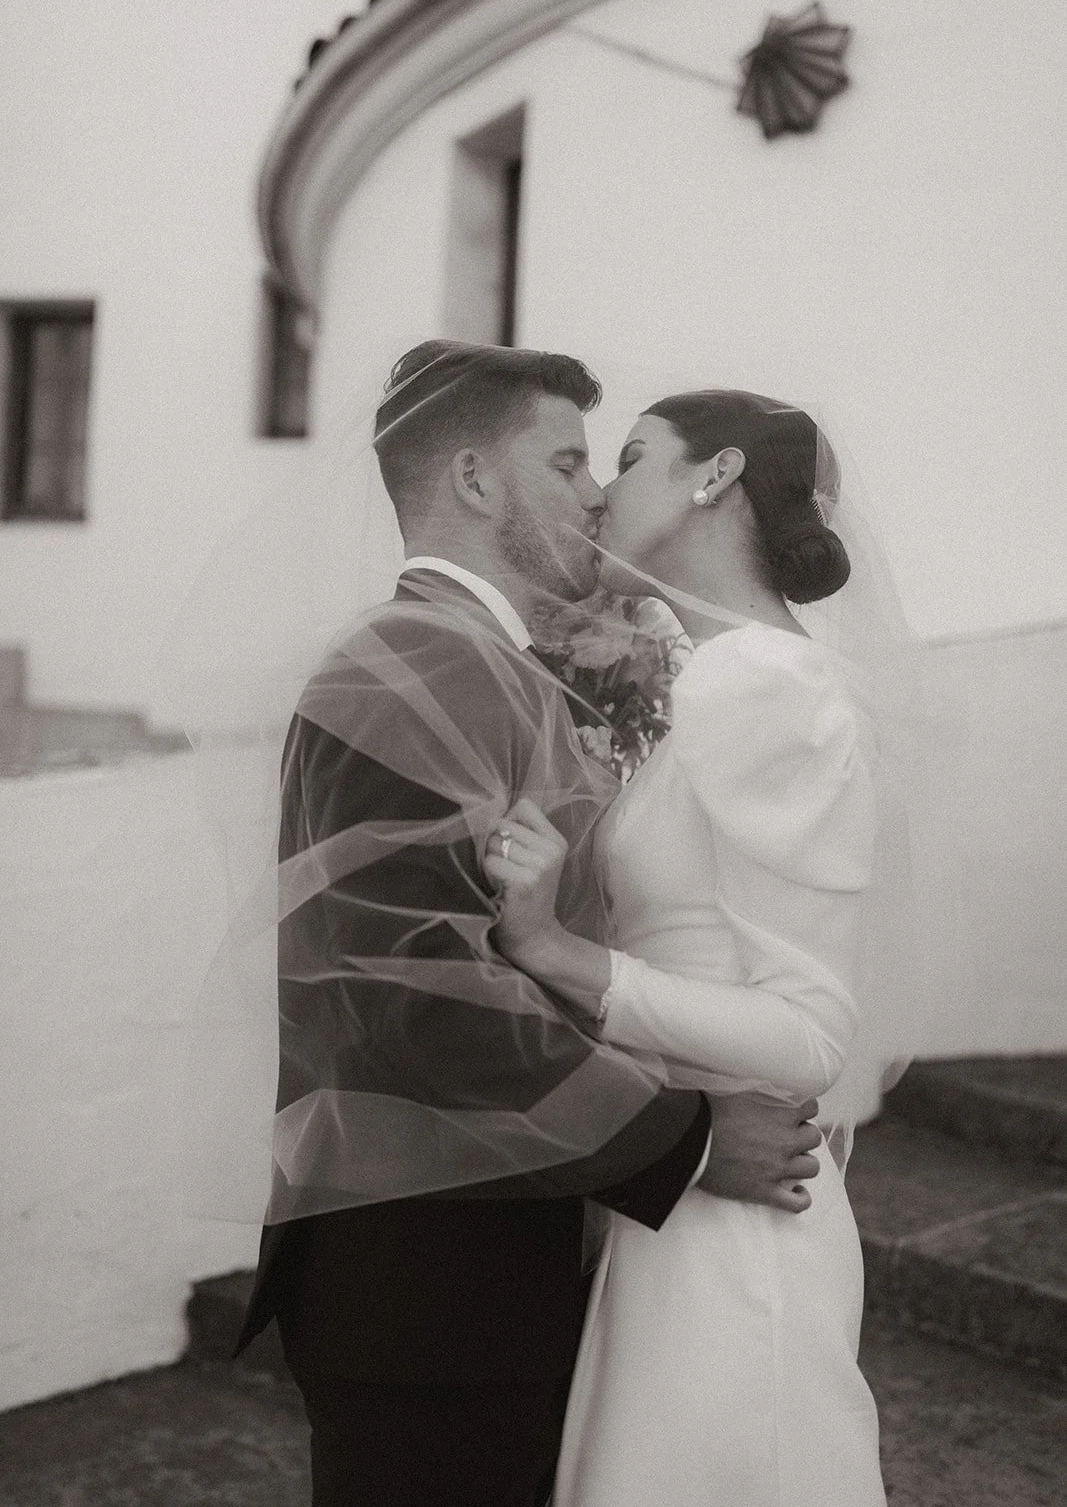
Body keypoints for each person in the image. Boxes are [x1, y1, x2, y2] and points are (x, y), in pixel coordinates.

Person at [231, 347, 823, 1507]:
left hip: (478, 1273)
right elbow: (410, 989)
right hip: (429, 1284)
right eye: (564, 462)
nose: (595, 495)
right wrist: (688, 1140)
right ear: (472, 478)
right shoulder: (408, 658)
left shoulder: (484, 663)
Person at [484, 389, 889, 1505]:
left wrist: (556, 952)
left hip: (738, 1242)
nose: (600, 492)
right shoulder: (707, 679)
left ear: (712, 478)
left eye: (628, 458)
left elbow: (806, 1035)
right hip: (682, 1202)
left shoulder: (767, 683)